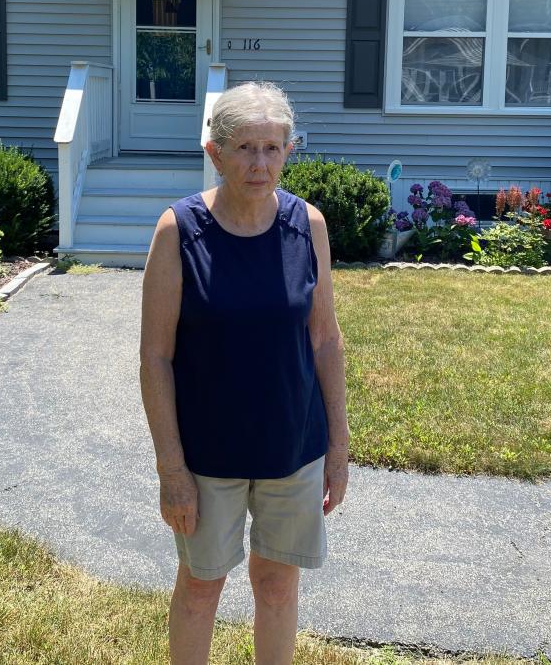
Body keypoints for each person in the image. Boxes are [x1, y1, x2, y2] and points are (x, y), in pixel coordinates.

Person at [139, 80, 350, 665]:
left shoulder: (308, 225)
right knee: (202, 585)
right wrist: (171, 468)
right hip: (207, 457)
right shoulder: (179, 231)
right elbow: (154, 356)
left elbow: (325, 337)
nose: (260, 163)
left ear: (288, 151)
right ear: (216, 152)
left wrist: (337, 446)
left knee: (278, 586)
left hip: (292, 447)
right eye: (245, 148)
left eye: (273, 148)